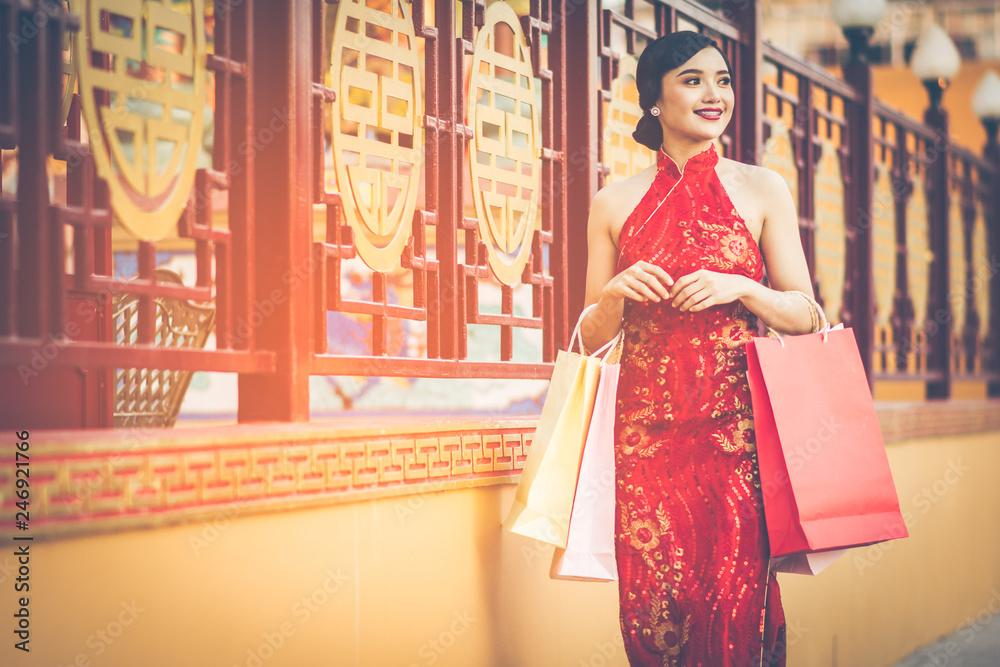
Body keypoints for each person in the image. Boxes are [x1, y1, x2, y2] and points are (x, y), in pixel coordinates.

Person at [580, 31, 821, 667]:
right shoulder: (613, 202)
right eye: (692, 80)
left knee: (736, 598)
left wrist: (745, 288)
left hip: (736, 438)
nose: (714, 94)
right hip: (646, 442)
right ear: (654, 100)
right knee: (653, 605)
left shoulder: (763, 189)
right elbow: (585, 341)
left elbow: (808, 315)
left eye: (722, 80)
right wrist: (612, 299)